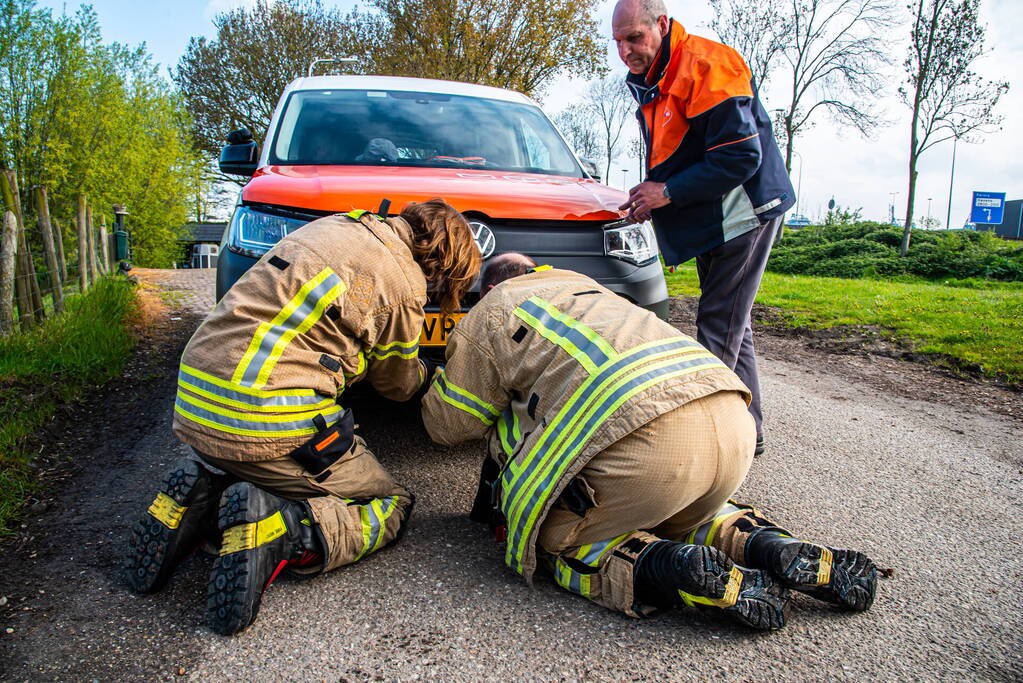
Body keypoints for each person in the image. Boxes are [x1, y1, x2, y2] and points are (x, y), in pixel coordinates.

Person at [421, 254, 876, 630]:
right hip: (730, 419)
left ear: (488, 288)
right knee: (684, 511)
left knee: (557, 544)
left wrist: (428, 379)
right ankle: (769, 546)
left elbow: (449, 426)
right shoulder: (591, 292)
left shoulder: (494, 311)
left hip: (642, 445)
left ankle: (664, 566)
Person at [125, 200, 481, 635]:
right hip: (264, 418)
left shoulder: (337, 225)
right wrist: (435, 377)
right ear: (445, 262)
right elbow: (398, 384)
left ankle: (205, 493)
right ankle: (286, 533)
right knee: (389, 503)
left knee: (259, 462)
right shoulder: (403, 283)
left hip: (197, 399)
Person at [612, 0, 796, 456]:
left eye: (634, 37)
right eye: (618, 41)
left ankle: (702, 445)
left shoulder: (708, 64)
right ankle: (747, 434)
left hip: (744, 214)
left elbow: (740, 156)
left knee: (717, 324)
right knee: (734, 323)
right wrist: (653, 197)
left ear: (663, 24)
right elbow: (685, 153)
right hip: (716, 218)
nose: (626, 51)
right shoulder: (657, 76)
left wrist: (667, 192)